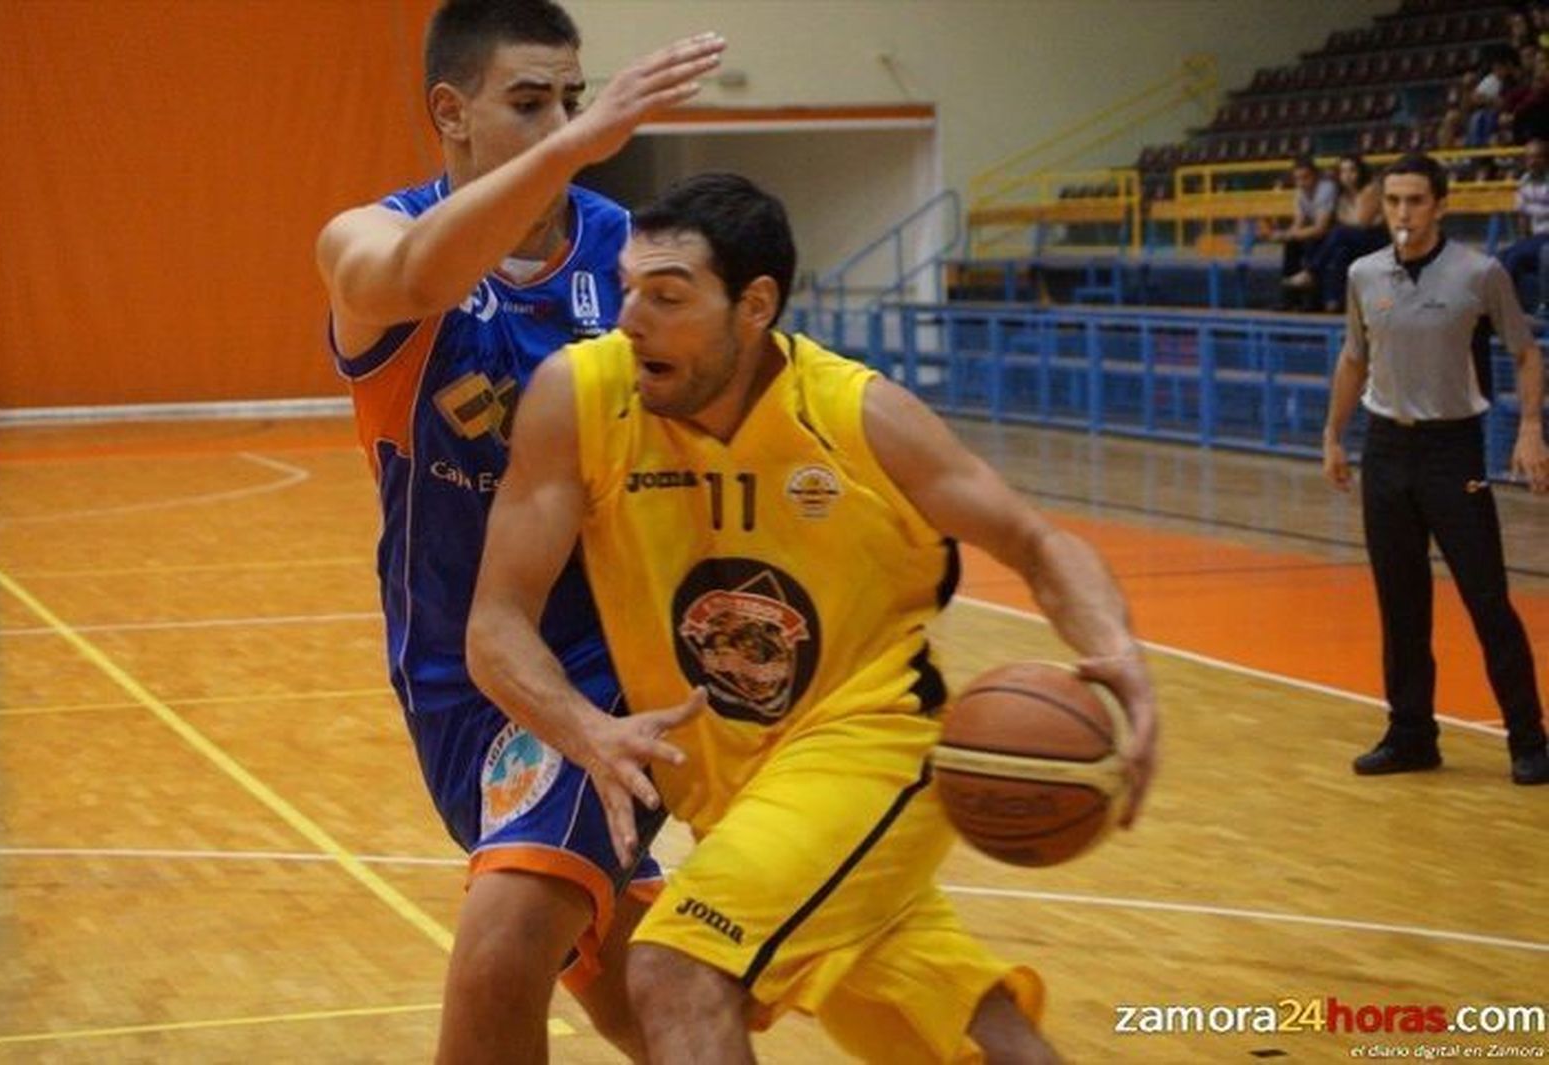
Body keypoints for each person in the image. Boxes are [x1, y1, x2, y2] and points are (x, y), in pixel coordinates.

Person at [466, 172, 1161, 1063]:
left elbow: (1035, 543)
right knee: (965, 1033)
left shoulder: (855, 414)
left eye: (669, 297)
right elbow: (495, 623)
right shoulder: (582, 396)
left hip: (871, 745)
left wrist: (1117, 651)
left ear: (754, 305)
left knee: (675, 967)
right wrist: (586, 729)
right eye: (630, 287)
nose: (632, 319)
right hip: (740, 794)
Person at [313, 2, 725, 1060]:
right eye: (529, 103)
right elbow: (416, 281)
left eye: (574, 103)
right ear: (450, 113)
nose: (562, 125)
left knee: (502, 947)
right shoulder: (367, 240)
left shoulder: (633, 262)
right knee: (646, 991)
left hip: (611, 660)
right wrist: (581, 148)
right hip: (454, 671)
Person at [1322, 151, 1549, 787]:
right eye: (1392, 201)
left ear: (1441, 205)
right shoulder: (1365, 275)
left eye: (1415, 200)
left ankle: (1529, 739)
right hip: (1386, 452)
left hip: (1454, 453)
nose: (1402, 212)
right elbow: (1352, 360)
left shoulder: (1481, 274)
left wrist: (1531, 428)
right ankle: (1411, 734)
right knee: (1400, 603)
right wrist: (1333, 435)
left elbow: (1528, 355)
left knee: (1487, 600)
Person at [1282, 154, 1388, 313]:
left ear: (1360, 172)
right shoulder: (1342, 195)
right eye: (1343, 171)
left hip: (1375, 239)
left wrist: (1347, 219)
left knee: (1337, 234)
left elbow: (1362, 223)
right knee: (1338, 251)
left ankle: (1311, 272)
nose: (1348, 176)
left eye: (1352, 170)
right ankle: (1332, 302)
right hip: (1352, 239)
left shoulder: (1369, 190)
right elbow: (1344, 220)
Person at [1261, 154, 1337, 311]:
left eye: (1305, 177)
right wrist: (1284, 236)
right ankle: (1289, 297)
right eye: (1297, 179)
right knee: (1292, 243)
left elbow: (1321, 227)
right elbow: (1299, 223)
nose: (1302, 183)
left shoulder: (1326, 189)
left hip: (1334, 233)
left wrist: (1289, 234)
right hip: (1317, 233)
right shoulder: (1300, 192)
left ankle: (1311, 299)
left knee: (1309, 241)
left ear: (1315, 175)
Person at [1495, 139, 1549, 314]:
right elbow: (1523, 216)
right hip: (1535, 238)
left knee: (1515, 256)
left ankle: (1503, 308)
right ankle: (1515, 307)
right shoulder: (1525, 181)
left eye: (1538, 157)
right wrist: (1523, 239)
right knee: (1502, 255)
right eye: (1529, 158)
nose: (1533, 162)